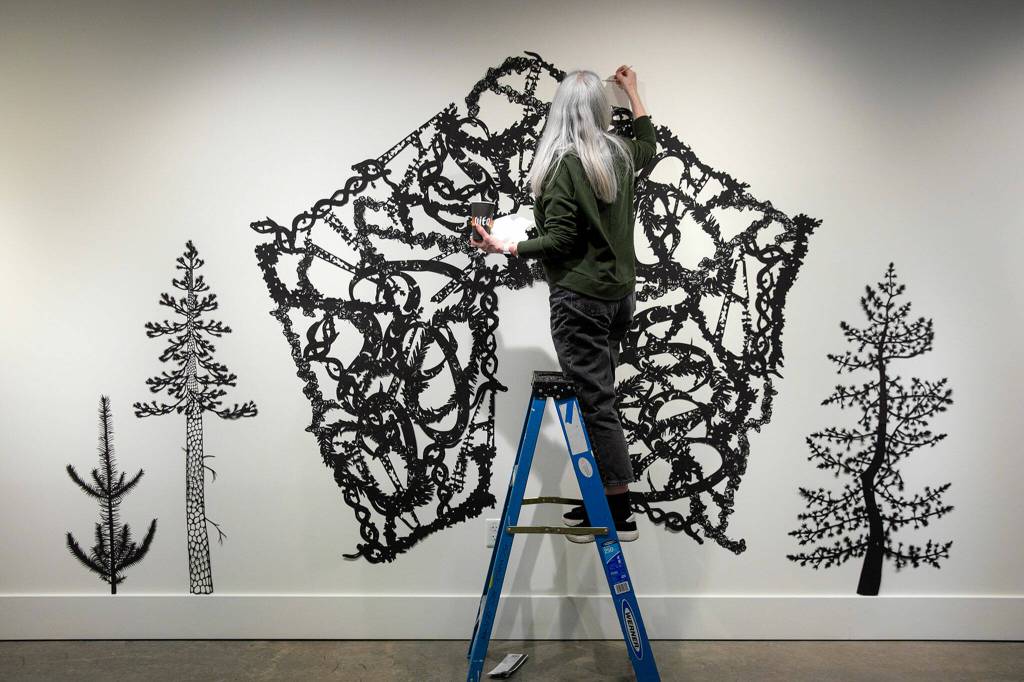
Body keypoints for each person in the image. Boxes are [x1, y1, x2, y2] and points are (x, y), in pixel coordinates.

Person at [468, 65, 658, 543]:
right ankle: (607, 500)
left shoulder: (561, 166)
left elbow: (560, 238)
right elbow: (649, 144)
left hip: (579, 301)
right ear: (599, 109)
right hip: (619, 298)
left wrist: (509, 247)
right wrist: (633, 93)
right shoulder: (619, 155)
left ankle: (618, 512)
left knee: (596, 403)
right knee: (601, 397)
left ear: (558, 113)